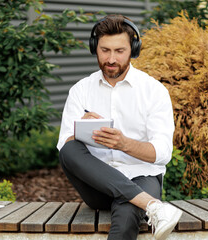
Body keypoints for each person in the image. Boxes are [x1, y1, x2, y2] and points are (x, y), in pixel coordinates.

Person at [57, 14, 183, 240]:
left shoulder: (153, 91)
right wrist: (79, 131)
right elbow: (65, 149)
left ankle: (143, 202)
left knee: (127, 213)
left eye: (120, 51)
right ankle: (152, 205)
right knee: (69, 148)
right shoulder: (80, 89)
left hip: (142, 176)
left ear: (133, 50)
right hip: (97, 187)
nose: (111, 58)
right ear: (95, 48)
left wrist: (124, 144)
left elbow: (163, 153)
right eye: (105, 50)